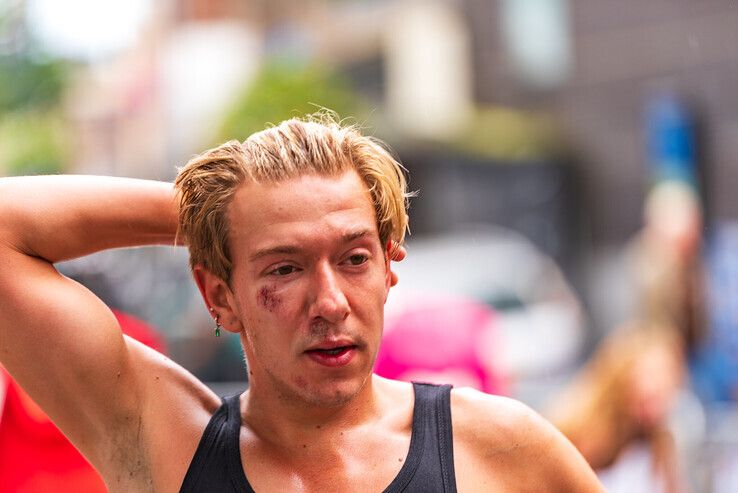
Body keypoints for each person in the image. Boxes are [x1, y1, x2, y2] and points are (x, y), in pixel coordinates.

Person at [0, 116, 602, 492]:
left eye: (354, 257)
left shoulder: (498, 448)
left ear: (391, 266)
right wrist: (222, 216)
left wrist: (259, 225)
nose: (331, 302)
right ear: (219, 295)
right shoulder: (169, 448)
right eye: (284, 269)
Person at [546, 324, 687, 493]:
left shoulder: (659, 442)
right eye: (650, 375)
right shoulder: (584, 433)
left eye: (667, 380)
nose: (657, 387)